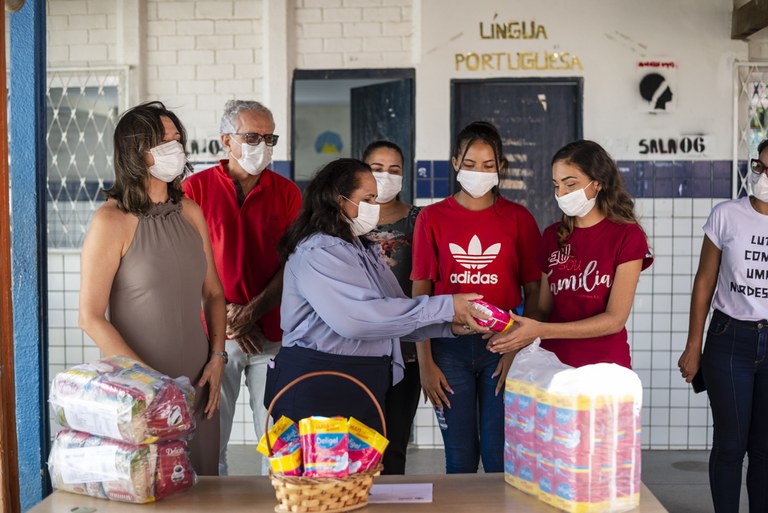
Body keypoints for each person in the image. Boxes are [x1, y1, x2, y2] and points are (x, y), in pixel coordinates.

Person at [264, 158, 488, 435]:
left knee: (360, 475)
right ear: (338, 199)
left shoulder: (361, 249)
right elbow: (357, 320)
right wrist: (445, 306)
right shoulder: (319, 251)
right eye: (368, 198)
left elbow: (391, 312)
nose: (376, 207)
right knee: (321, 476)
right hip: (318, 381)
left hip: (359, 381)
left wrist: (449, 324)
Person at [78, 101, 227, 475]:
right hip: (139, 387)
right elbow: (90, 317)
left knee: (201, 483)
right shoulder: (110, 221)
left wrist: (218, 358)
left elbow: (213, 293)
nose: (174, 148)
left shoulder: (190, 212)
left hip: (198, 382)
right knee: (150, 484)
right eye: (162, 141)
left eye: (177, 139)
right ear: (134, 151)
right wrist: (150, 385)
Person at [411, 121, 544, 474]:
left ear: (500, 166)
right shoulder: (431, 218)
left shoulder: (519, 219)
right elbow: (420, 294)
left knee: (500, 456)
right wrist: (425, 363)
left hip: (501, 348)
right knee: (460, 458)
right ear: (455, 162)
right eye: (470, 164)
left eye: (488, 165)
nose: (479, 173)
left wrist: (516, 348)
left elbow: (535, 292)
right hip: (447, 350)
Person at [182, 100, 301, 475]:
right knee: (209, 442)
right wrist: (229, 321)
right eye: (252, 137)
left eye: (269, 138)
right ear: (226, 141)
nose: (262, 146)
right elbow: (183, 264)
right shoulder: (193, 190)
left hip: (274, 335)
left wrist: (252, 312)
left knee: (280, 441)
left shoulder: (287, 193)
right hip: (214, 340)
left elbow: (295, 262)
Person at [487, 140, 653, 370]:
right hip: (552, 366)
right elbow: (543, 307)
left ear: (597, 184)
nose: (561, 193)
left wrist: (542, 330)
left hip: (605, 369)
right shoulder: (552, 235)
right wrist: (515, 331)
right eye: (556, 185)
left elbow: (615, 320)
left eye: (570, 184)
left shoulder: (627, 235)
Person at [677, 139, 768, 513]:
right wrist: (692, 346)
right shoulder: (726, 215)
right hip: (730, 339)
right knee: (731, 443)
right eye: (760, 167)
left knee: (764, 448)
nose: (762, 176)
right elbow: (704, 281)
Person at [362, 140, 421, 475]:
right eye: (376, 169)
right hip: (358, 350)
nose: (386, 177)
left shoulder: (419, 221)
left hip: (407, 350)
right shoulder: (349, 223)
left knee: (394, 446)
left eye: (394, 170)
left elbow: (427, 285)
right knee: (359, 444)